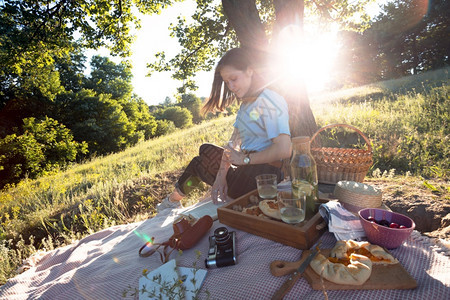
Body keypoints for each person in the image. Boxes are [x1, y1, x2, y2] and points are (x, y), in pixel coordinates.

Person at [157, 48, 291, 211]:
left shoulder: (269, 100)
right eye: (227, 82)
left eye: (234, 79)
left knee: (199, 164)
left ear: (250, 71)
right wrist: (221, 177)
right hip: (246, 170)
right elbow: (233, 143)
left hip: (263, 177)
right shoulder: (246, 105)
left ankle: (171, 202)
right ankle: (172, 201)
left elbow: (285, 149)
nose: (231, 86)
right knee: (205, 149)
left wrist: (244, 159)